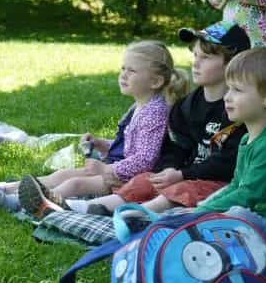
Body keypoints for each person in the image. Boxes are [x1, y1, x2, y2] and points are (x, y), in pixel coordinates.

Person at [21, 21, 250, 217]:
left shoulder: (237, 108)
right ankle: (80, 208)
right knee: (144, 181)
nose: (196, 62)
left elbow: (228, 161)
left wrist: (181, 175)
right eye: (195, 55)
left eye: (206, 57)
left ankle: (126, 216)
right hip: (182, 174)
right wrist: (167, 170)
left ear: (233, 63)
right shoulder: (187, 105)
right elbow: (175, 147)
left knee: (181, 191)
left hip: (215, 182)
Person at [14, 41, 189, 218]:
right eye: (123, 69)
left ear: (156, 81)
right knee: (64, 174)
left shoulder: (154, 112)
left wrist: (107, 170)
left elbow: (145, 160)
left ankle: (37, 204)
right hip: (124, 170)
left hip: (133, 178)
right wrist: (102, 144)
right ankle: (17, 191)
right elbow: (133, 145)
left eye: (132, 71)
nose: (123, 75)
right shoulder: (141, 105)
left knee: (75, 184)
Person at [194, 47, 266, 246]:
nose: (227, 97)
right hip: (260, 218)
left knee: (235, 215)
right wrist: (203, 207)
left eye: (237, 90)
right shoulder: (247, 139)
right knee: (216, 213)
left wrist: (201, 214)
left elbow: (248, 195)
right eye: (228, 88)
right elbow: (236, 186)